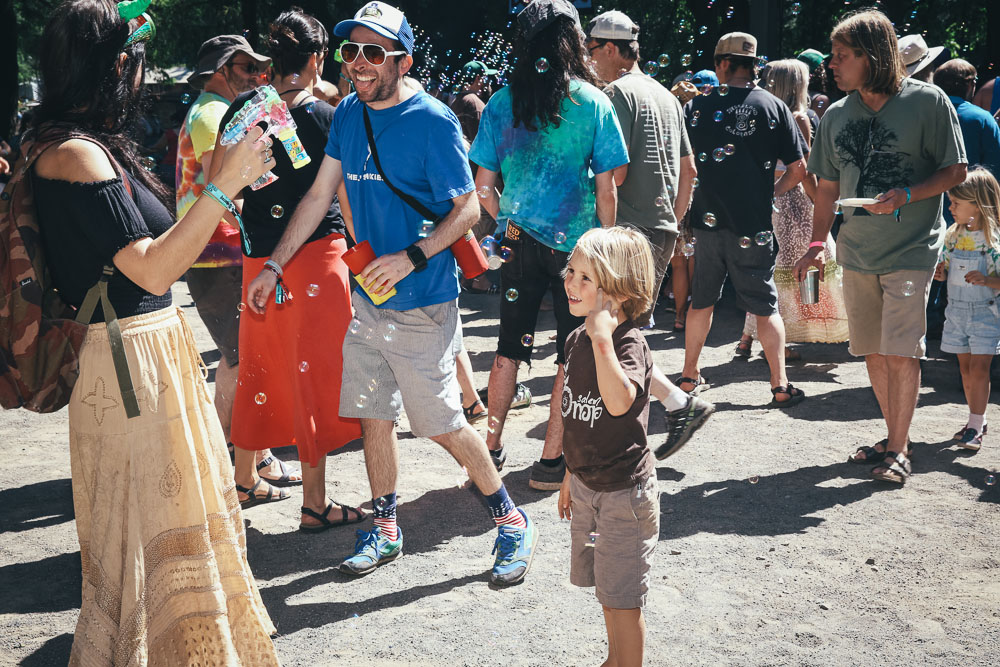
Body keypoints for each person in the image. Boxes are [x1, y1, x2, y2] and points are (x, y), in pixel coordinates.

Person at [247, 1, 538, 587]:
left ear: (402, 60)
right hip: (366, 300)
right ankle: (385, 525)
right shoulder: (347, 113)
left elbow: (469, 210)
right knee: (373, 414)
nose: (357, 62)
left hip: (424, 299)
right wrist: (275, 265)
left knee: (441, 424)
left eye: (373, 52)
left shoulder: (433, 121)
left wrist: (411, 257)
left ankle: (510, 518)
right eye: (350, 50)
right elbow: (315, 198)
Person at [28, 0, 278, 661]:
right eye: (130, 62)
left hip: (145, 352)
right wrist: (223, 188)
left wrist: (229, 175)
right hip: (124, 362)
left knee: (172, 516)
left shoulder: (82, 142)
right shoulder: (76, 155)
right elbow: (157, 266)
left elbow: (167, 244)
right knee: (146, 523)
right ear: (113, 66)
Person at [207, 8, 366, 528]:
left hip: (259, 261)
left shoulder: (242, 112)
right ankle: (315, 504)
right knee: (314, 376)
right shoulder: (328, 116)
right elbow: (340, 192)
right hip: (319, 259)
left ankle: (243, 480)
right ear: (318, 59)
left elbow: (218, 183)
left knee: (261, 369)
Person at [794, 9, 967, 485]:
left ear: (871, 56)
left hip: (912, 246)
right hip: (857, 248)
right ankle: (896, 437)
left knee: (900, 350)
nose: (832, 64)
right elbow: (826, 189)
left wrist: (907, 194)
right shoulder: (836, 114)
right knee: (872, 350)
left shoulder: (928, 102)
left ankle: (896, 449)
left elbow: (957, 171)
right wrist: (815, 242)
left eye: (842, 55)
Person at [469, 0, 629, 489]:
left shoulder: (501, 102)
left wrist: (511, 222)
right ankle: (550, 462)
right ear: (572, 42)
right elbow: (608, 187)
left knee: (507, 348)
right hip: (575, 250)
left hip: (517, 242)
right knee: (568, 352)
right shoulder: (592, 102)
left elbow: (481, 187)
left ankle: (489, 450)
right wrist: (604, 243)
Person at [585, 9, 713, 457]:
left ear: (614, 50)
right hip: (659, 228)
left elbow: (614, 173)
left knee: (615, 331)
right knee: (625, 329)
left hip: (627, 227)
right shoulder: (666, 95)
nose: (588, 58)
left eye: (593, 49)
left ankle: (655, 416)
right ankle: (677, 403)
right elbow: (690, 170)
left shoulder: (617, 92)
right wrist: (675, 225)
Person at [176, 34, 301, 486]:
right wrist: (279, 225)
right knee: (240, 358)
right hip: (219, 249)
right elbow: (224, 185)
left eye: (259, 69)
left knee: (237, 356)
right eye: (246, 67)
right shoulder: (213, 113)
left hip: (214, 251)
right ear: (219, 70)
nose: (255, 77)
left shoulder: (208, 110)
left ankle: (231, 455)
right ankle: (239, 459)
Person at [680, 31, 808, 407]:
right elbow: (800, 168)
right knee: (764, 305)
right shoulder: (773, 106)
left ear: (721, 63)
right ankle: (779, 384)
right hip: (753, 225)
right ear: (754, 66)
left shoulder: (698, 107)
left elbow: (684, 166)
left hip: (706, 222)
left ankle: (688, 376)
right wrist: (773, 192)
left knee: (701, 301)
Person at [556, 226, 659, 667]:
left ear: (617, 291)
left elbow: (617, 403)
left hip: (624, 497)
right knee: (607, 587)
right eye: (570, 271)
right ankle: (614, 659)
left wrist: (603, 339)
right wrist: (568, 475)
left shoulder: (627, 344)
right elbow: (576, 416)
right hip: (588, 490)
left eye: (586, 279)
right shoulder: (576, 339)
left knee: (623, 598)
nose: (570, 283)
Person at [737, 59, 848, 357]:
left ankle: (747, 337)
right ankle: (781, 342)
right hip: (793, 200)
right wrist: (819, 201)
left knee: (771, 271)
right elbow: (804, 170)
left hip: (766, 198)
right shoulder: (798, 117)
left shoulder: (759, 112)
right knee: (803, 265)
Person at [933, 167, 1000, 452]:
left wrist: (987, 280)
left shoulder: (994, 241)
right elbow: (947, 267)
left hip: (986, 312)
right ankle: (976, 419)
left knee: (979, 367)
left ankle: (976, 422)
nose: (951, 208)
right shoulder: (952, 234)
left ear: (978, 203)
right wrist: (941, 273)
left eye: (956, 203)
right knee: (964, 368)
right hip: (956, 312)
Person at [933, 60, 1000, 179]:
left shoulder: (923, 114)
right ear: (971, 84)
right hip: (971, 195)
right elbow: (995, 167)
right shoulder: (982, 118)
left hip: (926, 193)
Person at [450, 60, 496, 145]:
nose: (489, 83)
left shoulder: (457, 101)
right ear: (478, 79)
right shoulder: (474, 104)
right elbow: (482, 144)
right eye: (487, 78)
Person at [797, 48, 831, 119]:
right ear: (820, 70)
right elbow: (818, 128)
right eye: (824, 63)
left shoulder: (795, 94)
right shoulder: (821, 99)